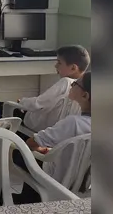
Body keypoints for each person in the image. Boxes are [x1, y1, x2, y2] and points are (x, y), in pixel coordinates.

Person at [12, 71, 92, 204]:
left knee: (19, 152)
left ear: (85, 95)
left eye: (75, 83)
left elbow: (32, 143)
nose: (71, 85)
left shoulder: (73, 123)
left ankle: (25, 200)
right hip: (87, 182)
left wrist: (42, 149)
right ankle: (28, 198)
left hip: (58, 177)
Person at [0, 45, 90, 135]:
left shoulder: (66, 82)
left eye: (59, 62)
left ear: (73, 68)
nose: (56, 66)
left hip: (38, 125)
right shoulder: (86, 87)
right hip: (61, 132)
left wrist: (22, 102)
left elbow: (37, 104)